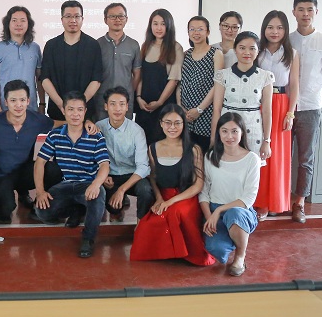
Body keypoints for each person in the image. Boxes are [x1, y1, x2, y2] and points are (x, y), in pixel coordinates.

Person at [130, 104, 214, 266]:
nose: (172, 127)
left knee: (176, 213)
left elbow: (198, 185)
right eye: (168, 122)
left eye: (177, 123)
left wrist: (170, 202)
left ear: (184, 124)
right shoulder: (153, 148)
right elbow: (153, 177)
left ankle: (184, 252)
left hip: (186, 197)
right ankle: (169, 252)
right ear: (161, 124)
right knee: (147, 226)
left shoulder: (194, 149)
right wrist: (159, 198)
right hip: (164, 196)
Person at [34, 91, 110, 258]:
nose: (75, 114)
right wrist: (40, 191)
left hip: (88, 185)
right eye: (71, 109)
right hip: (65, 184)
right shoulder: (55, 135)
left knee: (98, 195)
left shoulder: (95, 136)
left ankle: (88, 239)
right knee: (42, 212)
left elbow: (104, 165)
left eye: (79, 110)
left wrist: (96, 184)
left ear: (85, 111)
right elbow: (39, 163)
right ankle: (77, 208)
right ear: (64, 111)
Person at [289, 0, 322, 223]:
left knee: (305, 158)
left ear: (316, 12)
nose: (305, 14)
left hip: (310, 106)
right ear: (293, 12)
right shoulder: (286, 39)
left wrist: (316, 96)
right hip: (285, 105)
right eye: (301, 9)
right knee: (281, 157)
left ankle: (299, 203)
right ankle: (278, 199)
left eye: (309, 9)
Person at [0, 79, 54, 223]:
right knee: (4, 213)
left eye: (22, 100)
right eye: (13, 100)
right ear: (6, 102)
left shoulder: (39, 121)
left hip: (25, 173)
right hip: (1, 175)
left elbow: (60, 124)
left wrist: (86, 123)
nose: (18, 105)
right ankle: (5, 203)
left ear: (28, 101)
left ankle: (38, 207)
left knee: (54, 169)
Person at [200, 112, 261, 276]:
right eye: (224, 131)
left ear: (242, 133)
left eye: (234, 131)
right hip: (215, 210)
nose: (229, 136)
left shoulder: (252, 159)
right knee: (217, 250)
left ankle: (240, 255)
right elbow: (204, 191)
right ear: (218, 133)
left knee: (234, 215)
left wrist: (220, 210)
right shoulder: (211, 156)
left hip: (240, 211)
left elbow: (249, 198)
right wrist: (209, 216)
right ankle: (234, 235)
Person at [256, 10, 300, 220]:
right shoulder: (257, 51)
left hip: (281, 104)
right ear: (264, 29)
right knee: (260, 152)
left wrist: (290, 112)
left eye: (280, 28)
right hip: (259, 103)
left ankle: (276, 201)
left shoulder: (292, 53)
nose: (275, 31)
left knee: (278, 155)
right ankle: (261, 203)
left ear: (286, 30)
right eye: (270, 27)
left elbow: (294, 85)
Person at [212, 31, 274, 167]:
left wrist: (267, 141)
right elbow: (217, 109)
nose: (247, 52)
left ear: (258, 51)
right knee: (226, 168)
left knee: (251, 170)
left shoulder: (265, 77)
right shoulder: (223, 75)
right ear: (235, 50)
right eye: (242, 48)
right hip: (227, 131)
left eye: (252, 48)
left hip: (253, 129)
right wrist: (213, 138)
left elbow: (267, 111)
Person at [95, 86, 154, 221]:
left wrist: (121, 189)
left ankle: (141, 223)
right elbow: (93, 157)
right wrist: (103, 176)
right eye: (113, 104)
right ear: (106, 106)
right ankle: (116, 209)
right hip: (110, 176)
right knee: (113, 207)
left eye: (122, 104)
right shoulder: (98, 127)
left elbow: (143, 167)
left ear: (127, 107)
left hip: (132, 175)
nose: (117, 109)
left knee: (146, 191)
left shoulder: (137, 131)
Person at [40, 0, 103, 123]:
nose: (73, 20)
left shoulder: (93, 45)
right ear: (62, 19)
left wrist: (79, 107)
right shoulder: (51, 45)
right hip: (57, 110)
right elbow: (45, 78)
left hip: (85, 113)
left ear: (82, 19)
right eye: (68, 16)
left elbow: (96, 79)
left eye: (76, 16)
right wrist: (61, 105)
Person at [135, 8, 184, 143]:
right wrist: (138, 97)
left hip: (164, 106)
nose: (159, 28)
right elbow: (141, 75)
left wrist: (160, 102)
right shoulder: (146, 46)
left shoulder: (175, 47)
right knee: (142, 142)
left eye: (163, 24)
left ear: (169, 26)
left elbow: (173, 80)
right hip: (144, 105)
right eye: (155, 24)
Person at [178, 16, 223, 152]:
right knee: (187, 154)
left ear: (208, 32)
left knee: (203, 153)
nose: (195, 33)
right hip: (186, 114)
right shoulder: (185, 54)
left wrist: (199, 109)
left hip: (206, 113)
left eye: (200, 29)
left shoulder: (216, 54)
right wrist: (180, 106)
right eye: (192, 29)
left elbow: (217, 85)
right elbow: (179, 83)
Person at [0, 6, 44, 114]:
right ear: (7, 24)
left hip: (30, 108)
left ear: (29, 24)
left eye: (23, 20)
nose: (19, 24)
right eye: (14, 20)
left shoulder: (35, 48)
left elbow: (39, 79)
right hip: (5, 108)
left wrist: (42, 104)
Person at [94, 3, 142, 121]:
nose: (117, 20)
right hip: (102, 100)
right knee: (101, 130)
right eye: (112, 16)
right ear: (105, 20)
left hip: (125, 102)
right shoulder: (97, 44)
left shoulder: (133, 45)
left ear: (126, 19)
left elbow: (137, 74)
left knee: (125, 131)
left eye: (121, 16)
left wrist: (128, 91)